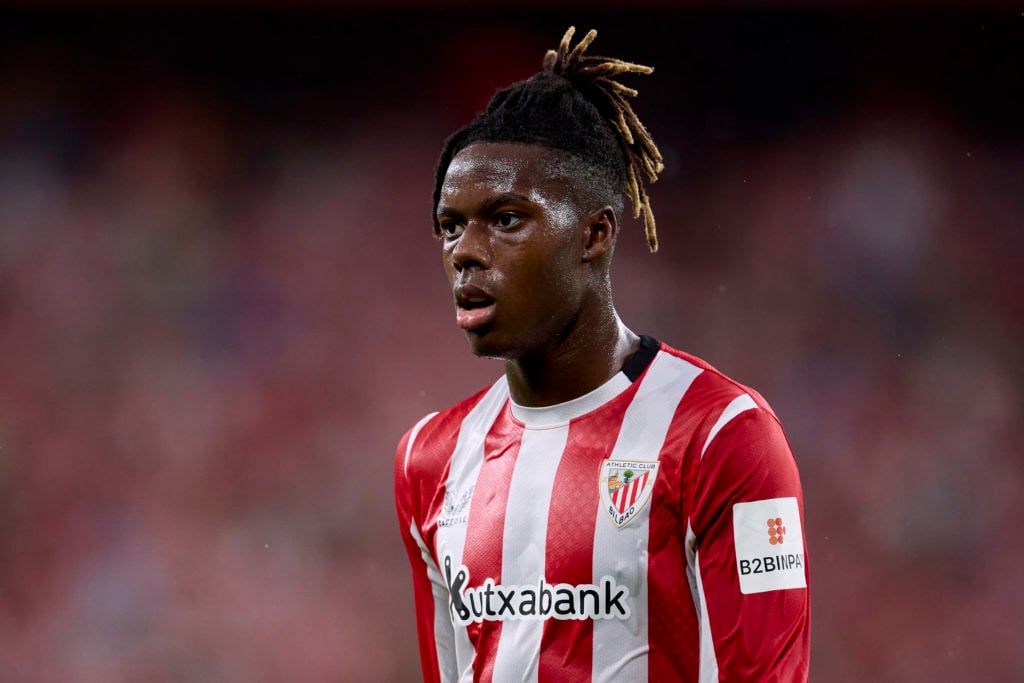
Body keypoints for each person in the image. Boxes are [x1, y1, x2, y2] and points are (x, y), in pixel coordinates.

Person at [394, 26, 810, 682]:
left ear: (594, 232)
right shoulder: (430, 459)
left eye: (505, 219)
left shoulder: (723, 436)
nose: (465, 251)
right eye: (451, 225)